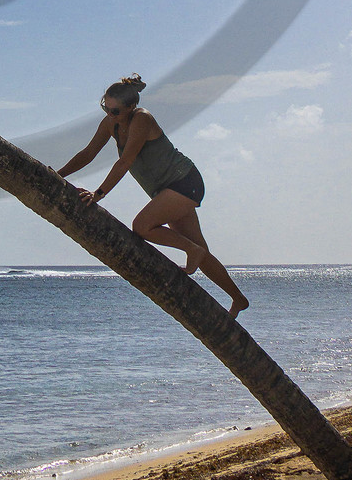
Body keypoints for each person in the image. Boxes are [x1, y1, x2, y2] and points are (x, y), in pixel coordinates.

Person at [56, 75, 250, 319]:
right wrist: (58, 174)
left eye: (115, 110)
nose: (110, 114)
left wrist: (99, 194)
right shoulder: (110, 124)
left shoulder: (142, 119)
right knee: (201, 251)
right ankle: (238, 299)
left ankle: (191, 250)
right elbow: (88, 153)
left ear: (130, 107)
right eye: (105, 107)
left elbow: (125, 161)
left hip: (184, 182)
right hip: (166, 191)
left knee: (142, 226)